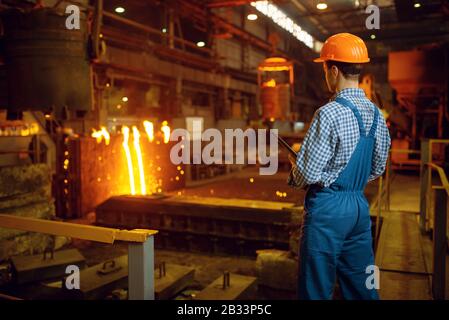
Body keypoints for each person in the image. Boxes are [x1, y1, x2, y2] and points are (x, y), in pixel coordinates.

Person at [288, 33, 391, 300]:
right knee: (362, 286)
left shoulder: (329, 113)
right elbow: (378, 166)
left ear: (333, 70)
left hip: (328, 210)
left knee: (315, 287)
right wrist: (350, 183)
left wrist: (298, 166)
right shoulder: (376, 114)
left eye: (324, 69)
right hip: (358, 207)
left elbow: (308, 174)